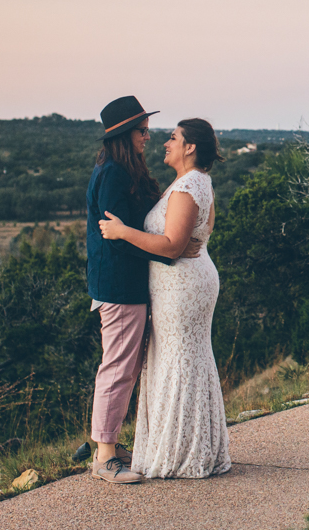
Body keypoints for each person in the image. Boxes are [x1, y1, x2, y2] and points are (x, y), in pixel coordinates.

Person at [99, 117, 231, 478]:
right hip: (184, 281)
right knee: (184, 356)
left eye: (173, 138)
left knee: (179, 358)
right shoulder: (192, 183)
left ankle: (181, 452)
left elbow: (173, 246)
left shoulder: (189, 186)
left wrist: (123, 232)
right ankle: (188, 444)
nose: (164, 143)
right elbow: (198, 232)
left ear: (190, 147)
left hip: (182, 286)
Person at [85, 96, 202, 485]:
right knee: (118, 366)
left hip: (129, 284)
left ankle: (111, 444)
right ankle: (103, 456)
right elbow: (114, 236)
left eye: (148, 130)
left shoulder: (123, 170)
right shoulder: (115, 174)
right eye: (142, 131)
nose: (148, 137)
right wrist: (169, 252)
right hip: (118, 285)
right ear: (123, 135)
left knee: (127, 365)